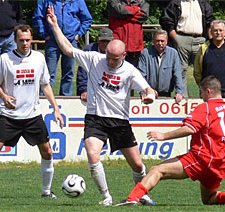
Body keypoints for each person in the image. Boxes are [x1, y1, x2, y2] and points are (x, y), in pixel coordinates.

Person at [46, 6, 156, 206]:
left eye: (115, 58)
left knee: (138, 164)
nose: (111, 62)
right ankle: (106, 197)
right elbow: (68, 49)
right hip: (95, 118)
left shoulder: (130, 71)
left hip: (120, 121)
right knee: (92, 152)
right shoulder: (95, 59)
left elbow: (148, 90)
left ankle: (142, 193)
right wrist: (54, 26)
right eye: (108, 57)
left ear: (123, 55)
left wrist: (148, 97)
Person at [116, 75, 225, 207]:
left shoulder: (205, 108)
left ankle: (132, 199)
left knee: (157, 170)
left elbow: (190, 129)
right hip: (219, 164)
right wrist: (218, 147)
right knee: (208, 199)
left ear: (208, 91)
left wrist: (163, 136)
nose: (200, 96)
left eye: (201, 92)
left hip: (201, 158)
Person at [0, 24, 65, 200]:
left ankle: (46, 191)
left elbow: (45, 85)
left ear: (32, 39)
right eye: (21, 40)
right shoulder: (5, 59)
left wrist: (56, 108)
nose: (25, 43)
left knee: (48, 152)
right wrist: (5, 97)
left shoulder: (39, 59)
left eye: (27, 40)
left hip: (32, 116)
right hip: (9, 116)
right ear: (15, 40)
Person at [32, 0, 92, 96]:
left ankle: (65, 98)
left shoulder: (78, 1)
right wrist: (44, 34)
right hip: (52, 40)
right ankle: (45, 97)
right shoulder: (45, 1)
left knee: (68, 73)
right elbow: (37, 18)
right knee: (48, 72)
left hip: (70, 41)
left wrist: (78, 34)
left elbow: (87, 19)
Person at [159, 0, 214, 97]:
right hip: (181, 39)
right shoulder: (175, 3)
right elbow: (165, 20)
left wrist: (209, 39)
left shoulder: (203, 3)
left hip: (200, 40)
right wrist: (176, 38)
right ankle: (183, 99)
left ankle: (206, 98)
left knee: (204, 71)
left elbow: (210, 21)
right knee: (181, 71)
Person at [194, 20, 225, 98]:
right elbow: (197, 72)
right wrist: (203, 87)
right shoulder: (203, 49)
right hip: (209, 95)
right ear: (211, 32)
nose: (218, 33)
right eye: (215, 30)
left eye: (221, 30)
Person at [138, 30, 184, 103]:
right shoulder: (145, 53)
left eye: (162, 41)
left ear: (166, 41)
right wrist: (143, 91)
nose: (160, 43)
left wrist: (179, 92)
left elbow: (177, 74)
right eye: (157, 41)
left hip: (166, 94)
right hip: (149, 94)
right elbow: (141, 75)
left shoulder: (173, 53)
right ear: (153, 41)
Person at [107, 0, 149, 67]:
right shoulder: (113, 1)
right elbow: (119, 11)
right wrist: (136, 9)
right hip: (117, 47)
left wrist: (123, 15)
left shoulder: (142, 2)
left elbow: (144, 16)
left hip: (135, 48)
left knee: (133, 73)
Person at [76, 28, 114, 102]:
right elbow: (82, 72)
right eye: (103, 41)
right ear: (98, 40)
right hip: (90, 86)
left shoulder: (116, 51)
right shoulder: (89, 50)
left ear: (112, 41)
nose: (105, 44)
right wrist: (84, 90)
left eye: (107, 41)